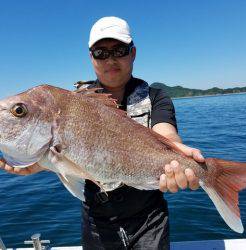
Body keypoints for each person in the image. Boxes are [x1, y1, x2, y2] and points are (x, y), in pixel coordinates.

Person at [0, 17, 204, 249]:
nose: (111, 59)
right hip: (97, 221)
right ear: (91, 57)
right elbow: (67, 162)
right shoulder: (73, 102)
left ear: (133, 53)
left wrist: (178, 158)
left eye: (119, 50)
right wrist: (39, 163)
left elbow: (166, 136)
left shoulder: (156, 98)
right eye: (101, 53)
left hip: (150, 218)